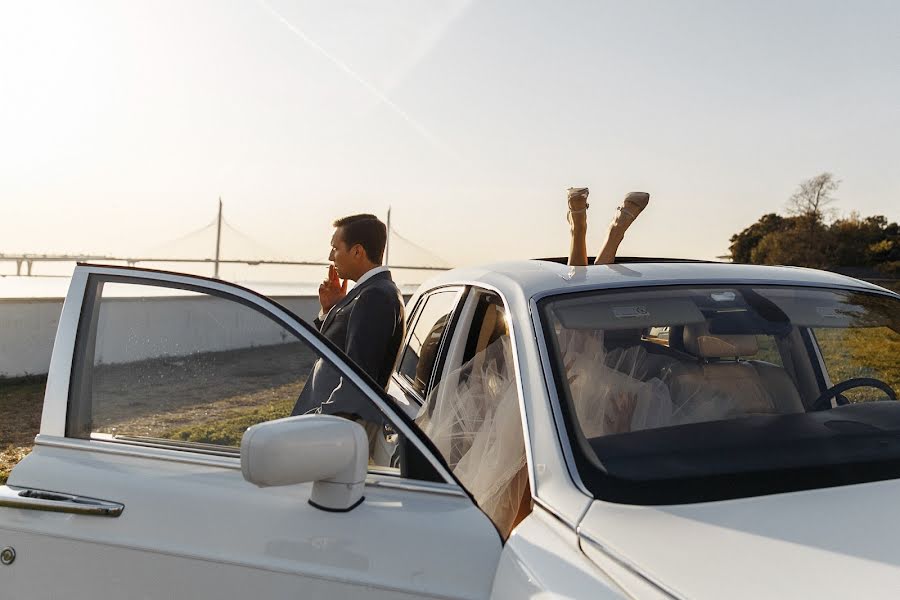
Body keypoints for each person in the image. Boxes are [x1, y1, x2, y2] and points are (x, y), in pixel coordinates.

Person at [291, 214, 405, 461]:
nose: (331, 257)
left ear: (357, 252)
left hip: (338, 428)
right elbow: (339, 352)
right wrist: (330, 309)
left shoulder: (375, 296)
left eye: (335, 248)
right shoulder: (369, 292)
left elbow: (357, 378)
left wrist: (316, 420)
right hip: (336, 424)